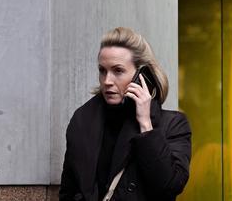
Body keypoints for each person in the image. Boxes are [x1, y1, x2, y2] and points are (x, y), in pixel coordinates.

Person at [59, 27, 191, 201]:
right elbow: (68, 191)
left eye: (118, 71)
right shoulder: (82, 121)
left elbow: (169, 186)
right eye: (102, 70)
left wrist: (145, 124)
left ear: (142, 76)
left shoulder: (173, 124)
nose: (107, 81)